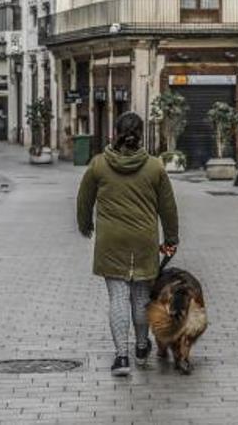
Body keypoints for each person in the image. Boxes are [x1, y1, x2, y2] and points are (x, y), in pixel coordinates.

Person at [76, 111, 179, 377]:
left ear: (115, 134)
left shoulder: (98, 164)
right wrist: (171, 239)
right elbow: (168, 207)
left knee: (118, 298)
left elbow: (84, 200)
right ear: (141, 135)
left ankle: (122, 357)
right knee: (142, 298)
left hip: (111, 242)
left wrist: (85, 225)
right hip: (144, 241)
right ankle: (142, 347)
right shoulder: (155, 166)